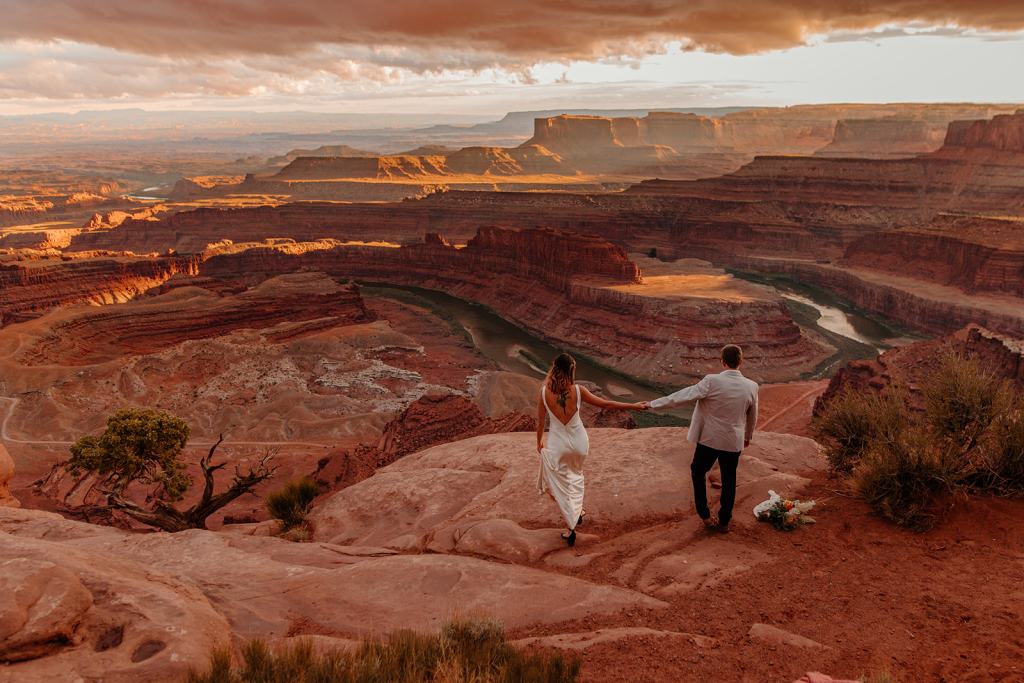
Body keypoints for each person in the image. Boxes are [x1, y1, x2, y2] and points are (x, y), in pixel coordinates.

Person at [643, 344, 758, 532]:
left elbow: (683, 396)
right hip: (733, 441)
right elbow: (752, 416)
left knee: (698, 471)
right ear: (741, 361)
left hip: (709, 440)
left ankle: (704, 514)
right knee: (729, 479)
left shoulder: (711, 381)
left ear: (722, 361)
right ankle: (724, 521)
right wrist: (747, 437)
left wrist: (652, 405)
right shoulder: (752, 386)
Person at [537, 353, 645, 547]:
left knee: (557, 483)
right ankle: (576, 513)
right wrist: (634, 406)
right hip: (579, 442)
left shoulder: (544, 392)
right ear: (571, 371)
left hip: (557, 444)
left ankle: (572, 522)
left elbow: (540, 420)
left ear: (554, 368)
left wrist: (539, 442)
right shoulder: (579, 390)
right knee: (576, 477)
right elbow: (607, 404)